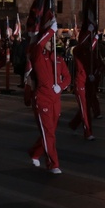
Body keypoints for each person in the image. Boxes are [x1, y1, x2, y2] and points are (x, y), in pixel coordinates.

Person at [28, 22, 71, 173]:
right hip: (43, 99)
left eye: (52, 41)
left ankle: (35, 152)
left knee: (50, 131)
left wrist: (62, 86)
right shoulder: (38, 56)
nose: (50, 43)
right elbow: (38, 45)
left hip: (56, 100)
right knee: (49, 133)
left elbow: (67, 77)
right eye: (48, 40)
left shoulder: (58, 59)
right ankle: (53, 164)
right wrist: (51, 31)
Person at [67, 28, 98, 140]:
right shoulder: (78, 50)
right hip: (80, 83)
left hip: (88, 83)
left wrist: (93, 74)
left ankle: (73, 124)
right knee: (84, 108)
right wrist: (90, 34)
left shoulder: (89, 52)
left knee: (86, 107)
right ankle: (88, 132)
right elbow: (80, 47)